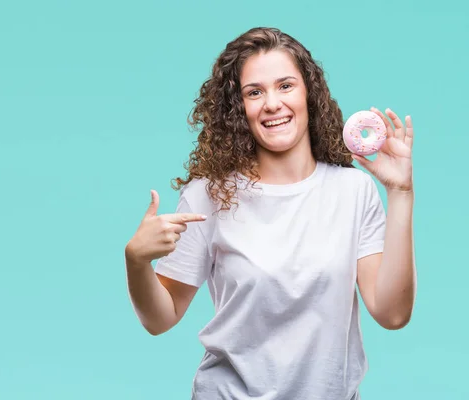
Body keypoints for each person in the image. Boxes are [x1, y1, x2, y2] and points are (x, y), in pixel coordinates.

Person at [124, 27, 416, 400]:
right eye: (255, 92)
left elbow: (392, 314)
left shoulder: (353, 190)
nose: (272, 103)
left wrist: (401, 193)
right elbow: (160, 318)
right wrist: (136, 260)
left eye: (286, 86)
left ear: (309, 93)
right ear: (238, 108)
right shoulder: (209, 196)